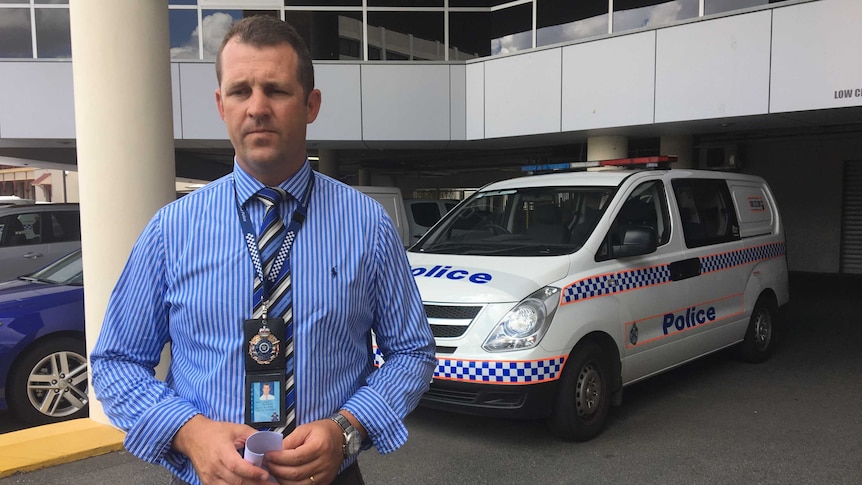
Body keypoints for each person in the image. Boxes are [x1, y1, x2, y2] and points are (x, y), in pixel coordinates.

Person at [90, 15, 436, 485]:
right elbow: (116, 362)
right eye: (240, 91)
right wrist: (188, 432)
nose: (257, 108)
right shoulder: (171, 231)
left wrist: (347, 430)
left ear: (310, 104)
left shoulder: (367, 226)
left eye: (275, 90)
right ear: (220, 104)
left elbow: (411, 352)